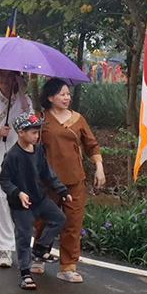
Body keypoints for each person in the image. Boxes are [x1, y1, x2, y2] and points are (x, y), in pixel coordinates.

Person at [38, 77, 105, 283]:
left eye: (68, 94)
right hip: (48, 181)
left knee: (73, 222)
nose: (67, 97)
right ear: (50, 97)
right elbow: (29, 144)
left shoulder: (78, 119)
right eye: (62, 94)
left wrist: (99, 168)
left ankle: (68, 266)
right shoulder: (41, 119)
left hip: (75, 179)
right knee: (43, 220)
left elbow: (91, 145)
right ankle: (38, 255)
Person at [0, 112, 69, 291]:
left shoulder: (38, 150)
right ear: (21, 132)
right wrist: (18, 193)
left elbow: (47, 172)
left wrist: (62, 190)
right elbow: (4, 180)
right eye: (33, 132)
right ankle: (25, 273)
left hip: (40, 199)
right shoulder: (12, 155)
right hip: (21, 205)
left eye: (38, 132)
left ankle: (40, 248)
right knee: (23, 237)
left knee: (59, 218)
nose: (37, 136)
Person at [0, 70, 34, 268]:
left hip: (19, 159)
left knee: (19, 202)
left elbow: (33, 126)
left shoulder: (25, 102)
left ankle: (21, 246)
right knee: (0, 203)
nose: (5, 82)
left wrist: (22, 96)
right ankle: (4, 250)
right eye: (1, 78)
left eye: (10, 78)